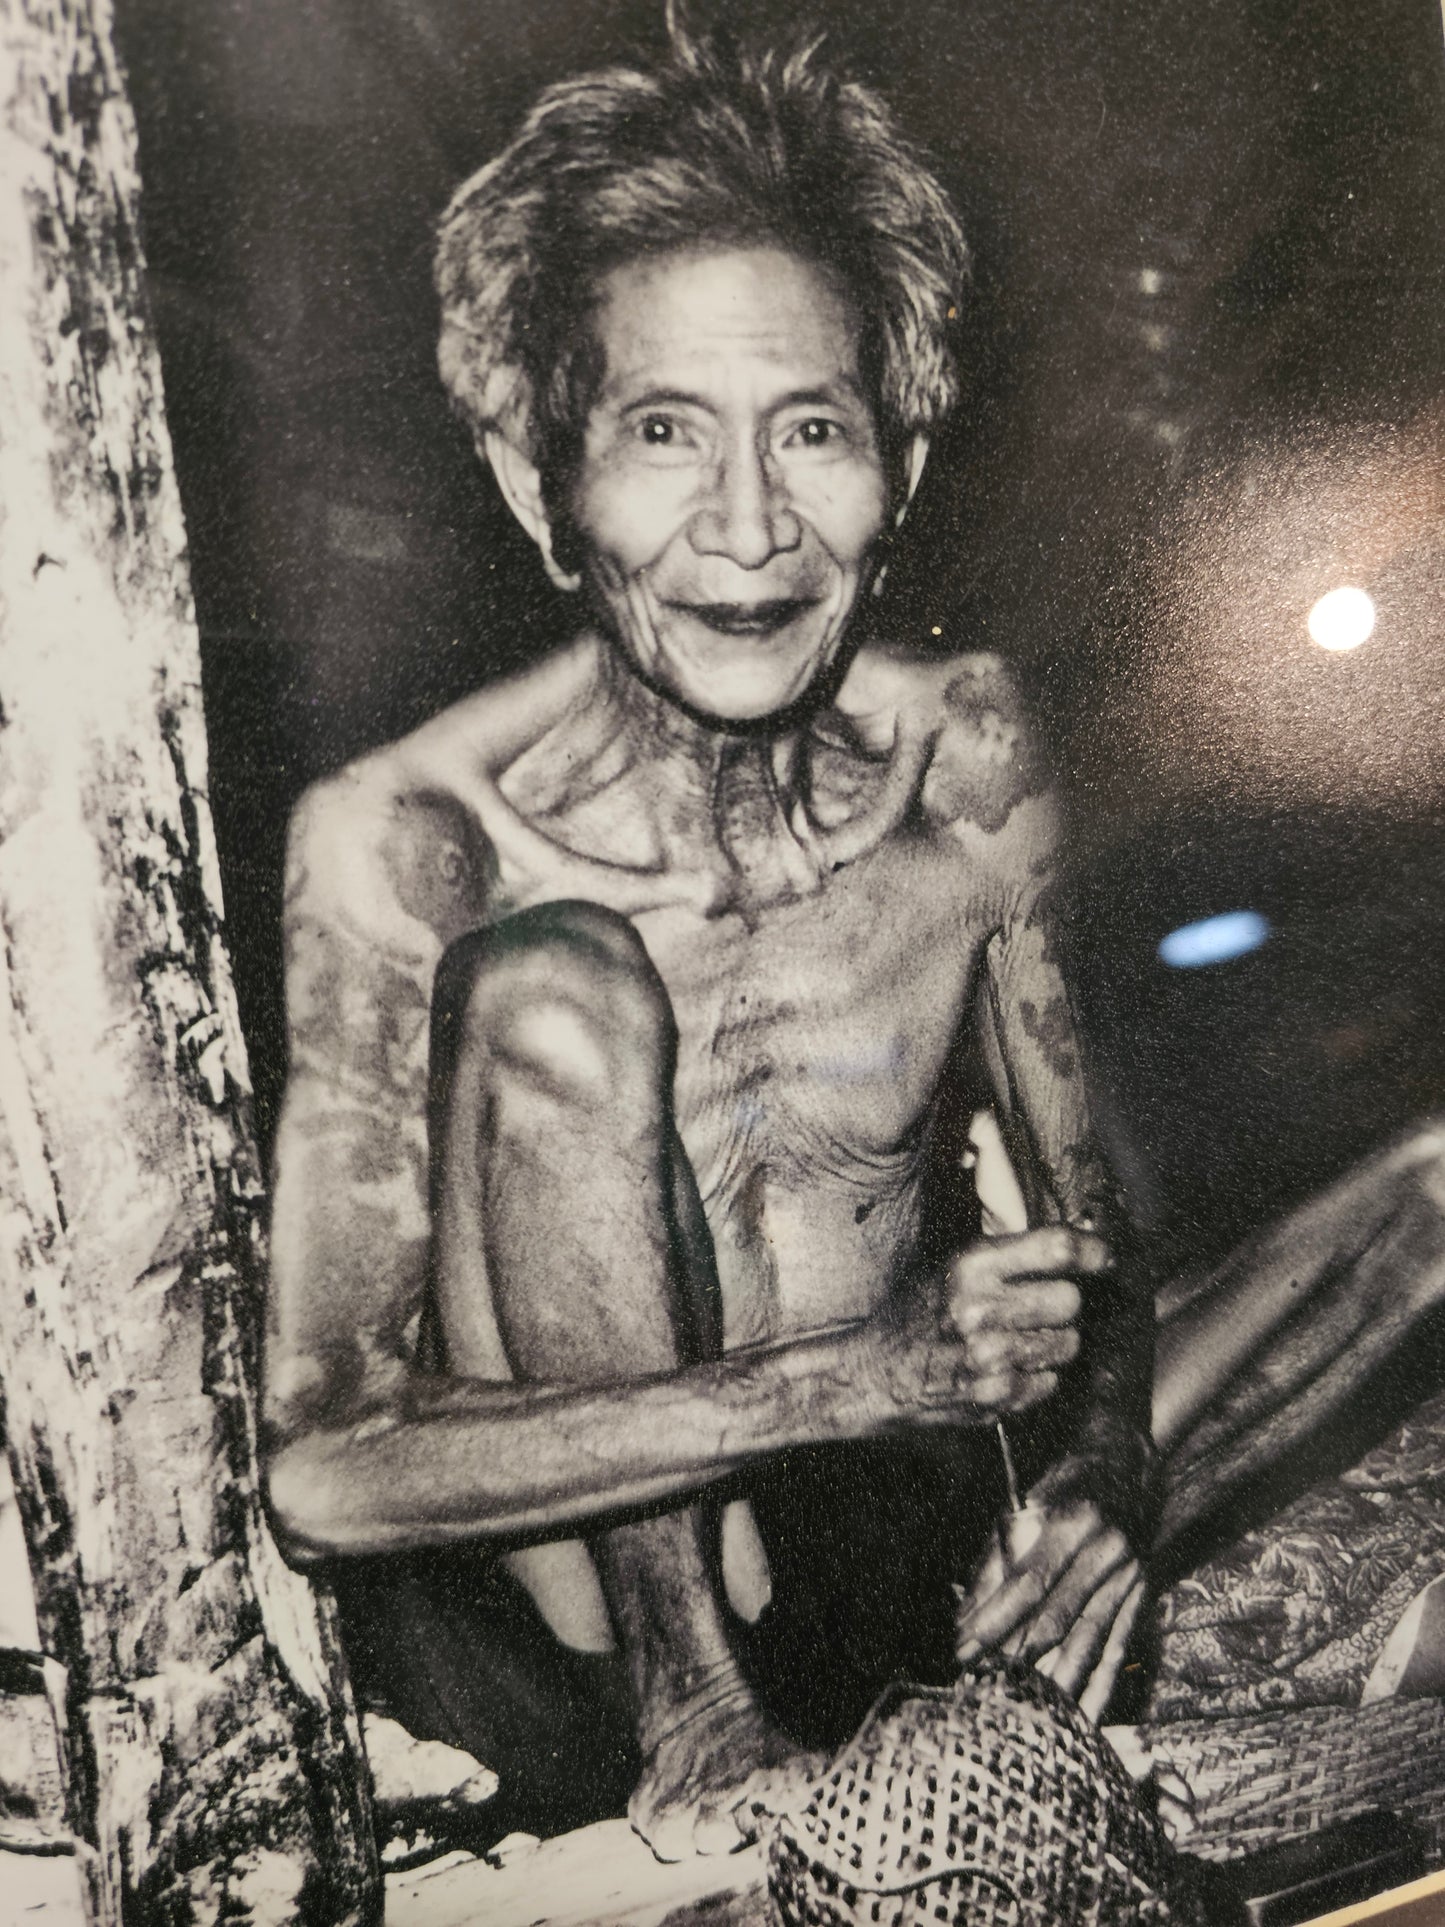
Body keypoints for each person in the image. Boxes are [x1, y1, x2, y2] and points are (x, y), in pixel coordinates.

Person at [260, 15, 1445, 1861]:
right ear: (538, 481)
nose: (749, 525)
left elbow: (1093, 1240)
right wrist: (844, 1377)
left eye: (811, 429)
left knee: (1426, 1200)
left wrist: (1104, 1481)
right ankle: (696, 1724)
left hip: (886, 1566)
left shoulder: (961, 765)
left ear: (895, 463)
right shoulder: (405, 842)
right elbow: (327, 1473)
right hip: (567, 1636)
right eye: (663, 433)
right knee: (559, 986)